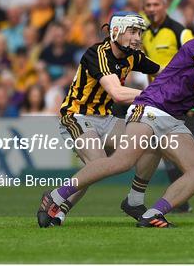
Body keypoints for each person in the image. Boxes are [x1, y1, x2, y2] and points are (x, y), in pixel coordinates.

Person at [37, 14, 194, 228]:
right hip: (146, 108)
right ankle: (56, 197)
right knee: (121, 161)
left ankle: (152, 213)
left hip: (172, 118)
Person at [36, 12, 160, 227]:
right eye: (132, 31)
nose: (138, 37)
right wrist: (154, 96)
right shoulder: (97, 53)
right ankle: (57, 200)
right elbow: (118, 94)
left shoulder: (134, 56)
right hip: (76, 116)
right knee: (98, 163)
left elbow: (166, 75)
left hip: (107, 119)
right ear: (115, 32)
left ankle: (134, 200)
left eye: (139, 32)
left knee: (153, 140)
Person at [130, 0, 194, 213]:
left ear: (165, 6)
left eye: (156, 4)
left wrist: (193, 98)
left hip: (185, 102)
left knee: (186, 156)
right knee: (168, 154)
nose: (152, 9)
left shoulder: (180, 32)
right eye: (148, 5)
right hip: (159, 100)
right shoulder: (145, 33)